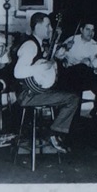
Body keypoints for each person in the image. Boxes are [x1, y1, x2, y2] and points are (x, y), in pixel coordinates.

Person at [13, 13, 78, 152]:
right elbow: (17, 72)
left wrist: (56, 58)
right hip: (28, 95)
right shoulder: (30, 45)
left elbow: (44, 66)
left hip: (36, 92)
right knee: (73, 99)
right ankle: (54, 134)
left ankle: (55, 133)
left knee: (69, 91)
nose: (50, 29)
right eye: (48, 25)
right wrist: (42, 67)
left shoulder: (40, 44)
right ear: (37, 26)